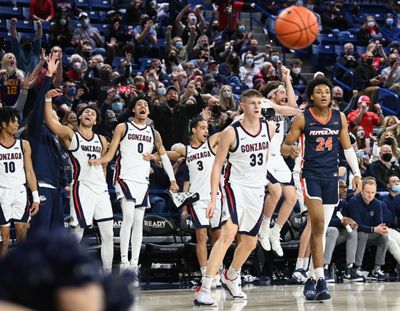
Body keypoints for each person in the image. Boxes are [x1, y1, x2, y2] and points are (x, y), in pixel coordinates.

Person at [281, 77, 362, 301]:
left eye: (327, 91)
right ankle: (320, 278)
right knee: (317, 225)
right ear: (312, 96)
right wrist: (291, 149)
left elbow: (347, 149)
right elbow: (285, 146)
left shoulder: (340, 117)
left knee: (322, 228)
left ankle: (311, 277)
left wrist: (357, 174)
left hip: (331, 178)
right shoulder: (302, 118)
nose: (325, 95)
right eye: (319, 91)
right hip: (310, 176)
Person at [194, 89, 275, 306]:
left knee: (250, 242)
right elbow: (217, 166)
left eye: (259, 103)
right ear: (242, 106)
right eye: (252, 103)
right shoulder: (231, 132)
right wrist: (213, 198)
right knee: (228, 234)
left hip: (257, 188)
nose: (257, 107)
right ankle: (205, 286)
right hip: (234, 187)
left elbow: (281, 115)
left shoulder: (269, 127)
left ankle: (231, 275)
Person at [90, 96, 179, 277]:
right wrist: (100, 160)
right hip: (125, 178)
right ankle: (124, 262)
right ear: (133, 110)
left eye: (145, 104)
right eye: (139, 104)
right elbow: (111, 153)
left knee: (139, 222)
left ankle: (134, 264)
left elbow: (163, 157)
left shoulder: (154, 133)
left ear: (148, 111)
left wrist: (172, 180)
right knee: (128, 217)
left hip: (142, 181)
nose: (143, 106)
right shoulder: (123, 127)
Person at [43, 85, 114, 272]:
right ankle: (66, 271)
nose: (89, 114)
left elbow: (105, 166)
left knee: (108, 234)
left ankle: (107, 274)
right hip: (81, 187)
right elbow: (51, 122)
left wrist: (103, 184)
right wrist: (48, 99)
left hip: (101, 190)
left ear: (96, 120)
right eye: (86, 112)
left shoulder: (102, 140)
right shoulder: (71, 135)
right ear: (80, 117)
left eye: (92, 113)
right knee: (78, 231)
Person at [167, 118, 222, 286]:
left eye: (207, 128)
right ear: (194, 130)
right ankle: (206, 274)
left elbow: (226, 133)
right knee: (201, 236)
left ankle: (216, 271)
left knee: (217, 237)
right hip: (197, 199)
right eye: (202, 128)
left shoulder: (211, 144)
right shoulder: (186, 150)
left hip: (215, 196)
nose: (206, 131)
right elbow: (168, 154)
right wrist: (152, 155)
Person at [258, 72, 302, 257]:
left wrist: (287, 80)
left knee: (291, 197)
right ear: (272, 94)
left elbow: (290, 106)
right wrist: (302, 111)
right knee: (275, 192)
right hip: (264, 155)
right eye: (282, 92)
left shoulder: (279, 106)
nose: (285, 95)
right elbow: (289, 110)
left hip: (277, 157)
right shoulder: (265, 104)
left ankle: (276, 231)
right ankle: (264, 228)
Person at [0, 107, 40, 255]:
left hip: (20, 192)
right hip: (2, 192)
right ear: (3, 124)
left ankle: (20, 275)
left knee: (22, 236)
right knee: (4, 240)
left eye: (18, 122)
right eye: (14, 122)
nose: (17, 125)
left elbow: (29, 171)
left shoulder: (23, 144)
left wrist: (35, 197)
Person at [347, 177, 389, 281]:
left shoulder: (378, 203)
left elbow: (379, 223)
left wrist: (382, 229)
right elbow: (358, 225)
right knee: (362, 234)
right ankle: (356, 268)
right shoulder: (354, 201)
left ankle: (376, 270)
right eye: (367, 192)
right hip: (356, 233)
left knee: (384, 237)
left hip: (371, 232)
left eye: (373, 192)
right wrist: (374, 229)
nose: (370, 195)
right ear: (362, 191)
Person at [323, 180, 364, 283]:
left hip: (334, 236)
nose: (345, 190)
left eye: (345, 187)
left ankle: (349, 270)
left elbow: (345, 219)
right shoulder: (326, 200)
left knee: (351, 231)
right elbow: (324, 222)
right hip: (321, 234)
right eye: (341, 187)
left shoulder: (343, 202)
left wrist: (351, 222)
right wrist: (341, 221)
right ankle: (323, 268)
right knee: (333, 230)